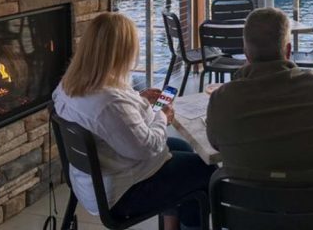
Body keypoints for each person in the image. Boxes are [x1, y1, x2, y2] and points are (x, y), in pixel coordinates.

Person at [53, 12, 214, 230]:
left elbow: (112, 122)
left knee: (182, 147)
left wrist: (139, 100)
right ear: (122, 52)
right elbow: (148, 147)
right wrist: (161, 116)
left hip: (89, 182)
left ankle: (172, 225)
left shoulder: (68, 86)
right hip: (119, 195)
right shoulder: (109, 102)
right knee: (206, 171)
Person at [206, 8, 313, 170]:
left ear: (246, 54)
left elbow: (215, 142)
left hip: (247, 194)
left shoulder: (223, 99)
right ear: (289, 50)